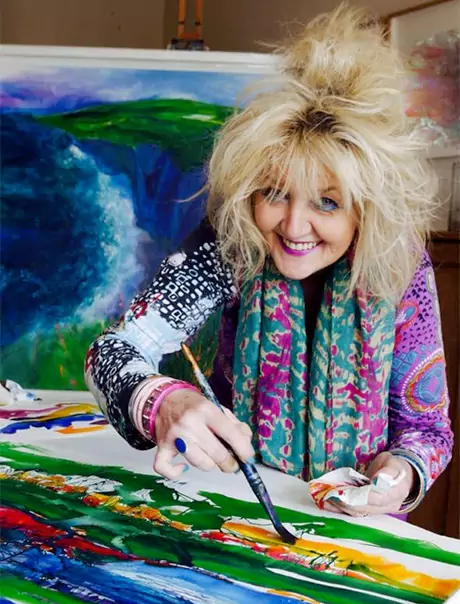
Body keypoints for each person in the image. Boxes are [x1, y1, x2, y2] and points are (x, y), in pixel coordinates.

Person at [85, 5, 453, 518]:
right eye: (275, 193)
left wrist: (403, 474)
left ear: (366, 208)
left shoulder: (398, 264)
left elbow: (428, 431)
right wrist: (164, 402)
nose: (294, 226)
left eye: (327, 202)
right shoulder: (231, 244)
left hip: (362, 532)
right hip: (231, 510)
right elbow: (111, 352)